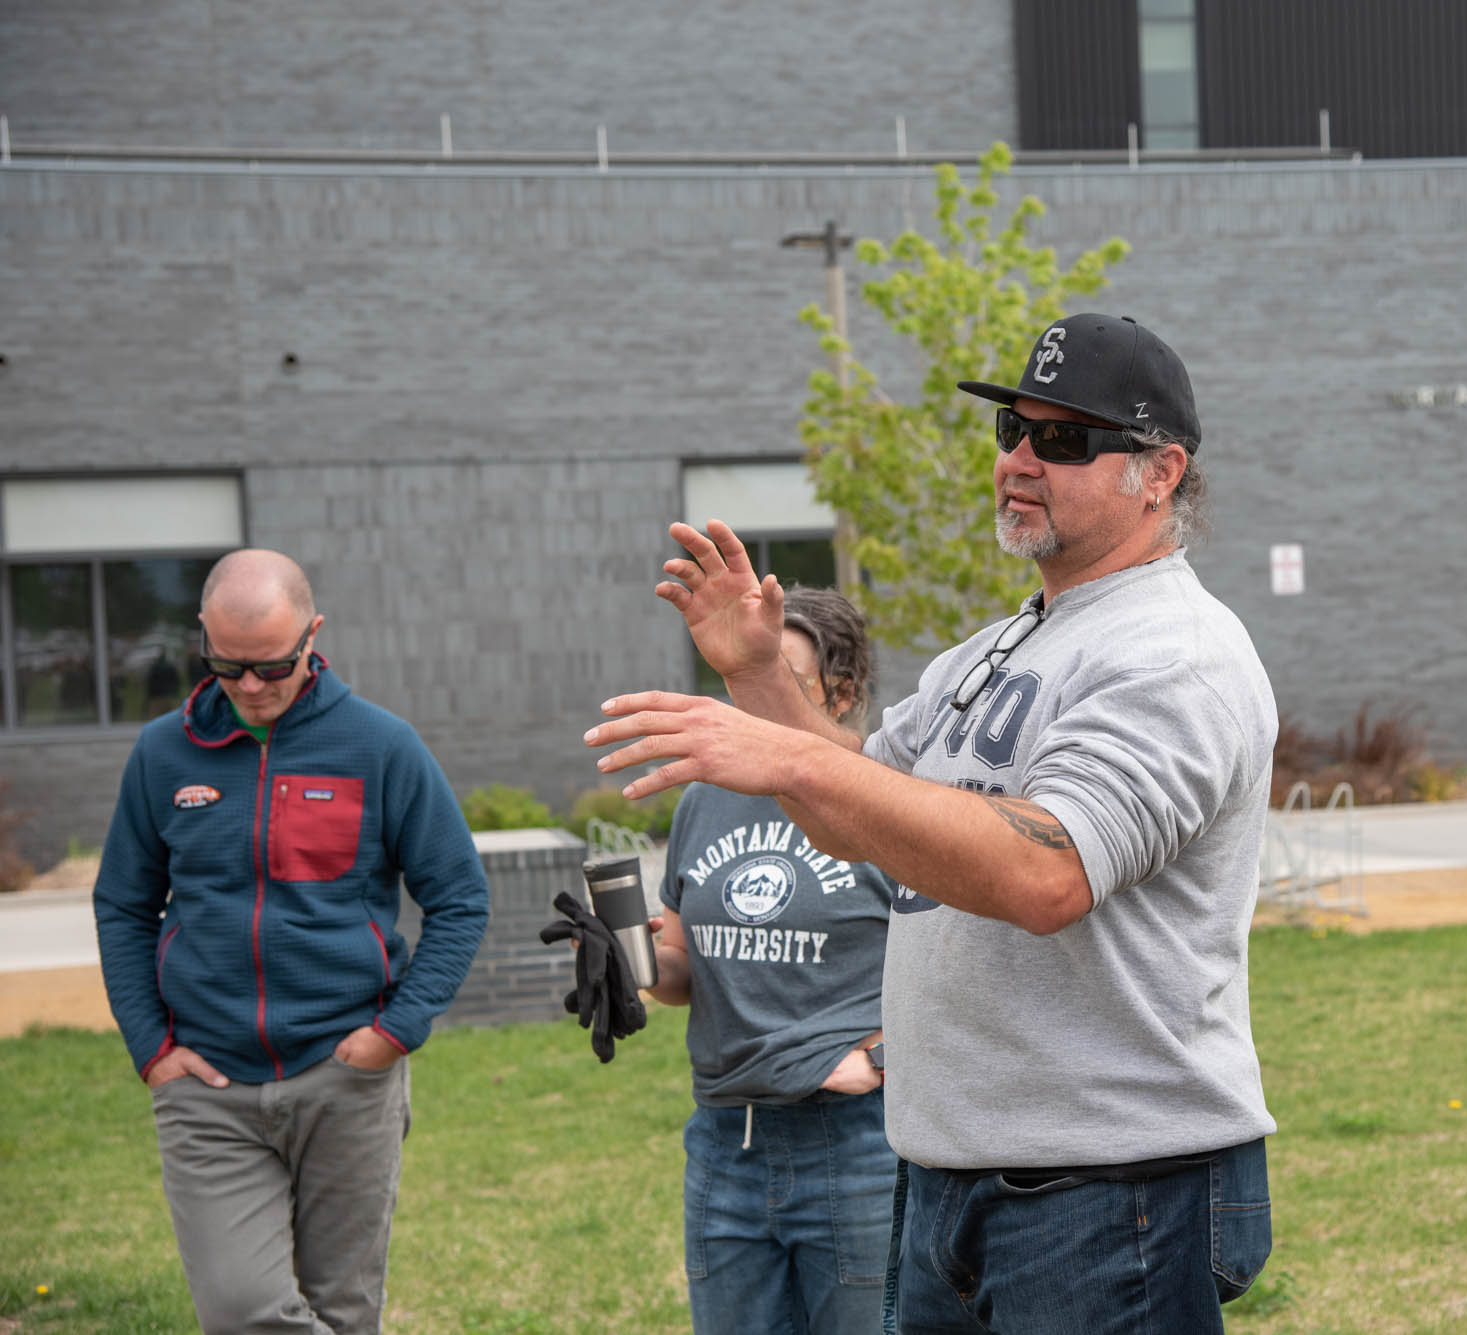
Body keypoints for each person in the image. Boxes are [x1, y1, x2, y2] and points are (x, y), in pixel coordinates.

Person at [588, 313, 1275, 1333]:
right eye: (1011, 432)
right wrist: (756, 677)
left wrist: (780, 750)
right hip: (952, 1171)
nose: (1020, 461)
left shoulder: (1174, 653)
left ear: (1160, 472)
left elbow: (1044, 875)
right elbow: (850, 812)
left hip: (1106, 1186)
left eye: (1064, 440)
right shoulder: (994, 650)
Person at [93, 549, 491, 1335]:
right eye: (228, 664)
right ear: (203, 638)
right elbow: (122, 905)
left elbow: (460, 897)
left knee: (344, 1311)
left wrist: (394, 1032)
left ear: (313, 635)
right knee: (242, 1311)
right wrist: (151, 1046)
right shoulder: (160, 754)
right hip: (207, 1087)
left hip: (345, 1078)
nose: (249, 687)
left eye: (273, 665)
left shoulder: (381, 745)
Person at [647, 586, 899, 1334]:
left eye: (776, 674)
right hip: (725, 1141)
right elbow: (680, 969)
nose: (748, 696)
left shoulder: (883, 799)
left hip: (856, 1143)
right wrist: (626, 957)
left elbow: (970, 961)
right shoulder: (705, 797)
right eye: (738, 676)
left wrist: (882, 1059)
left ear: (843, 691)